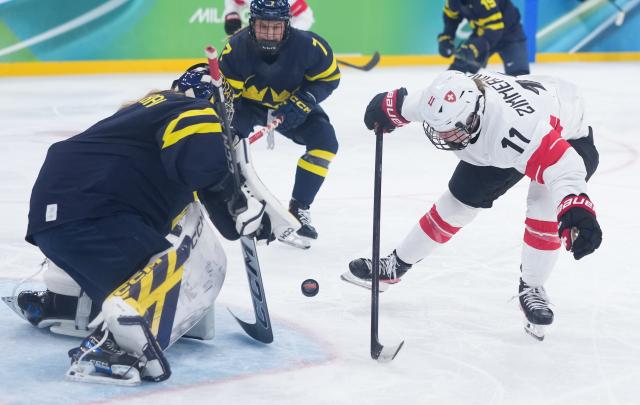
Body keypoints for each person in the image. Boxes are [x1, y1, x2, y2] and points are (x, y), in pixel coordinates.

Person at [9, 64, 276, 384]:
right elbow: (207, 172)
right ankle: (107, 351)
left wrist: (245, 216)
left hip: (58, 219)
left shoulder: (148, 115)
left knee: (147, 246)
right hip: (94, 216)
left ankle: (63, 303)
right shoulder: (195, 110)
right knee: (168, 265)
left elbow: (217, 204)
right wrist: (238, 198)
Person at [346, 70, 602, 341]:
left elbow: (565, 168)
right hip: (514, 122)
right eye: (439, 129)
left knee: (544, 206)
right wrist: (389, 108)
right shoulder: (450, 102)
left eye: (451, 130)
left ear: (474, 115)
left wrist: (577, 208)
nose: (444, 137)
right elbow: (411, 103)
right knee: (457, 203)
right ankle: (395, 266)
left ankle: (533, 287)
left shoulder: (516, 129)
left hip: (566, 135)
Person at [219, 0, 340, 248]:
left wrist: (307, 98)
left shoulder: (310, 46)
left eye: (276, 27)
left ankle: (300, 207)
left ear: (287, 24)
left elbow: (329, 79)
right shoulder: (236, 49)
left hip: (291, 105)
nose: (270, 33)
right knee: (223, 147)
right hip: (247, 107)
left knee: (325, 141)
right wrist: (231, 128)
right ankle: (230, 202)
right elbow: (228, 98)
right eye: (264, 26)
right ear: (252, 23)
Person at [437, 0, 530, 76]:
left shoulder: (483, 2)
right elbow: (451, 17)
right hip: (483, 32)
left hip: (511, 35)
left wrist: (474, 48)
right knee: (457, 70)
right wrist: (446, 37)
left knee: (520, 78)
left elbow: (495, 30)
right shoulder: (452, 2)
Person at [223, 0, 314, 36]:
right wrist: (232, 13)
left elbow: (306, 17)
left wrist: (289, 34)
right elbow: (233, 2)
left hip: (284, 38)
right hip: (258, 34)